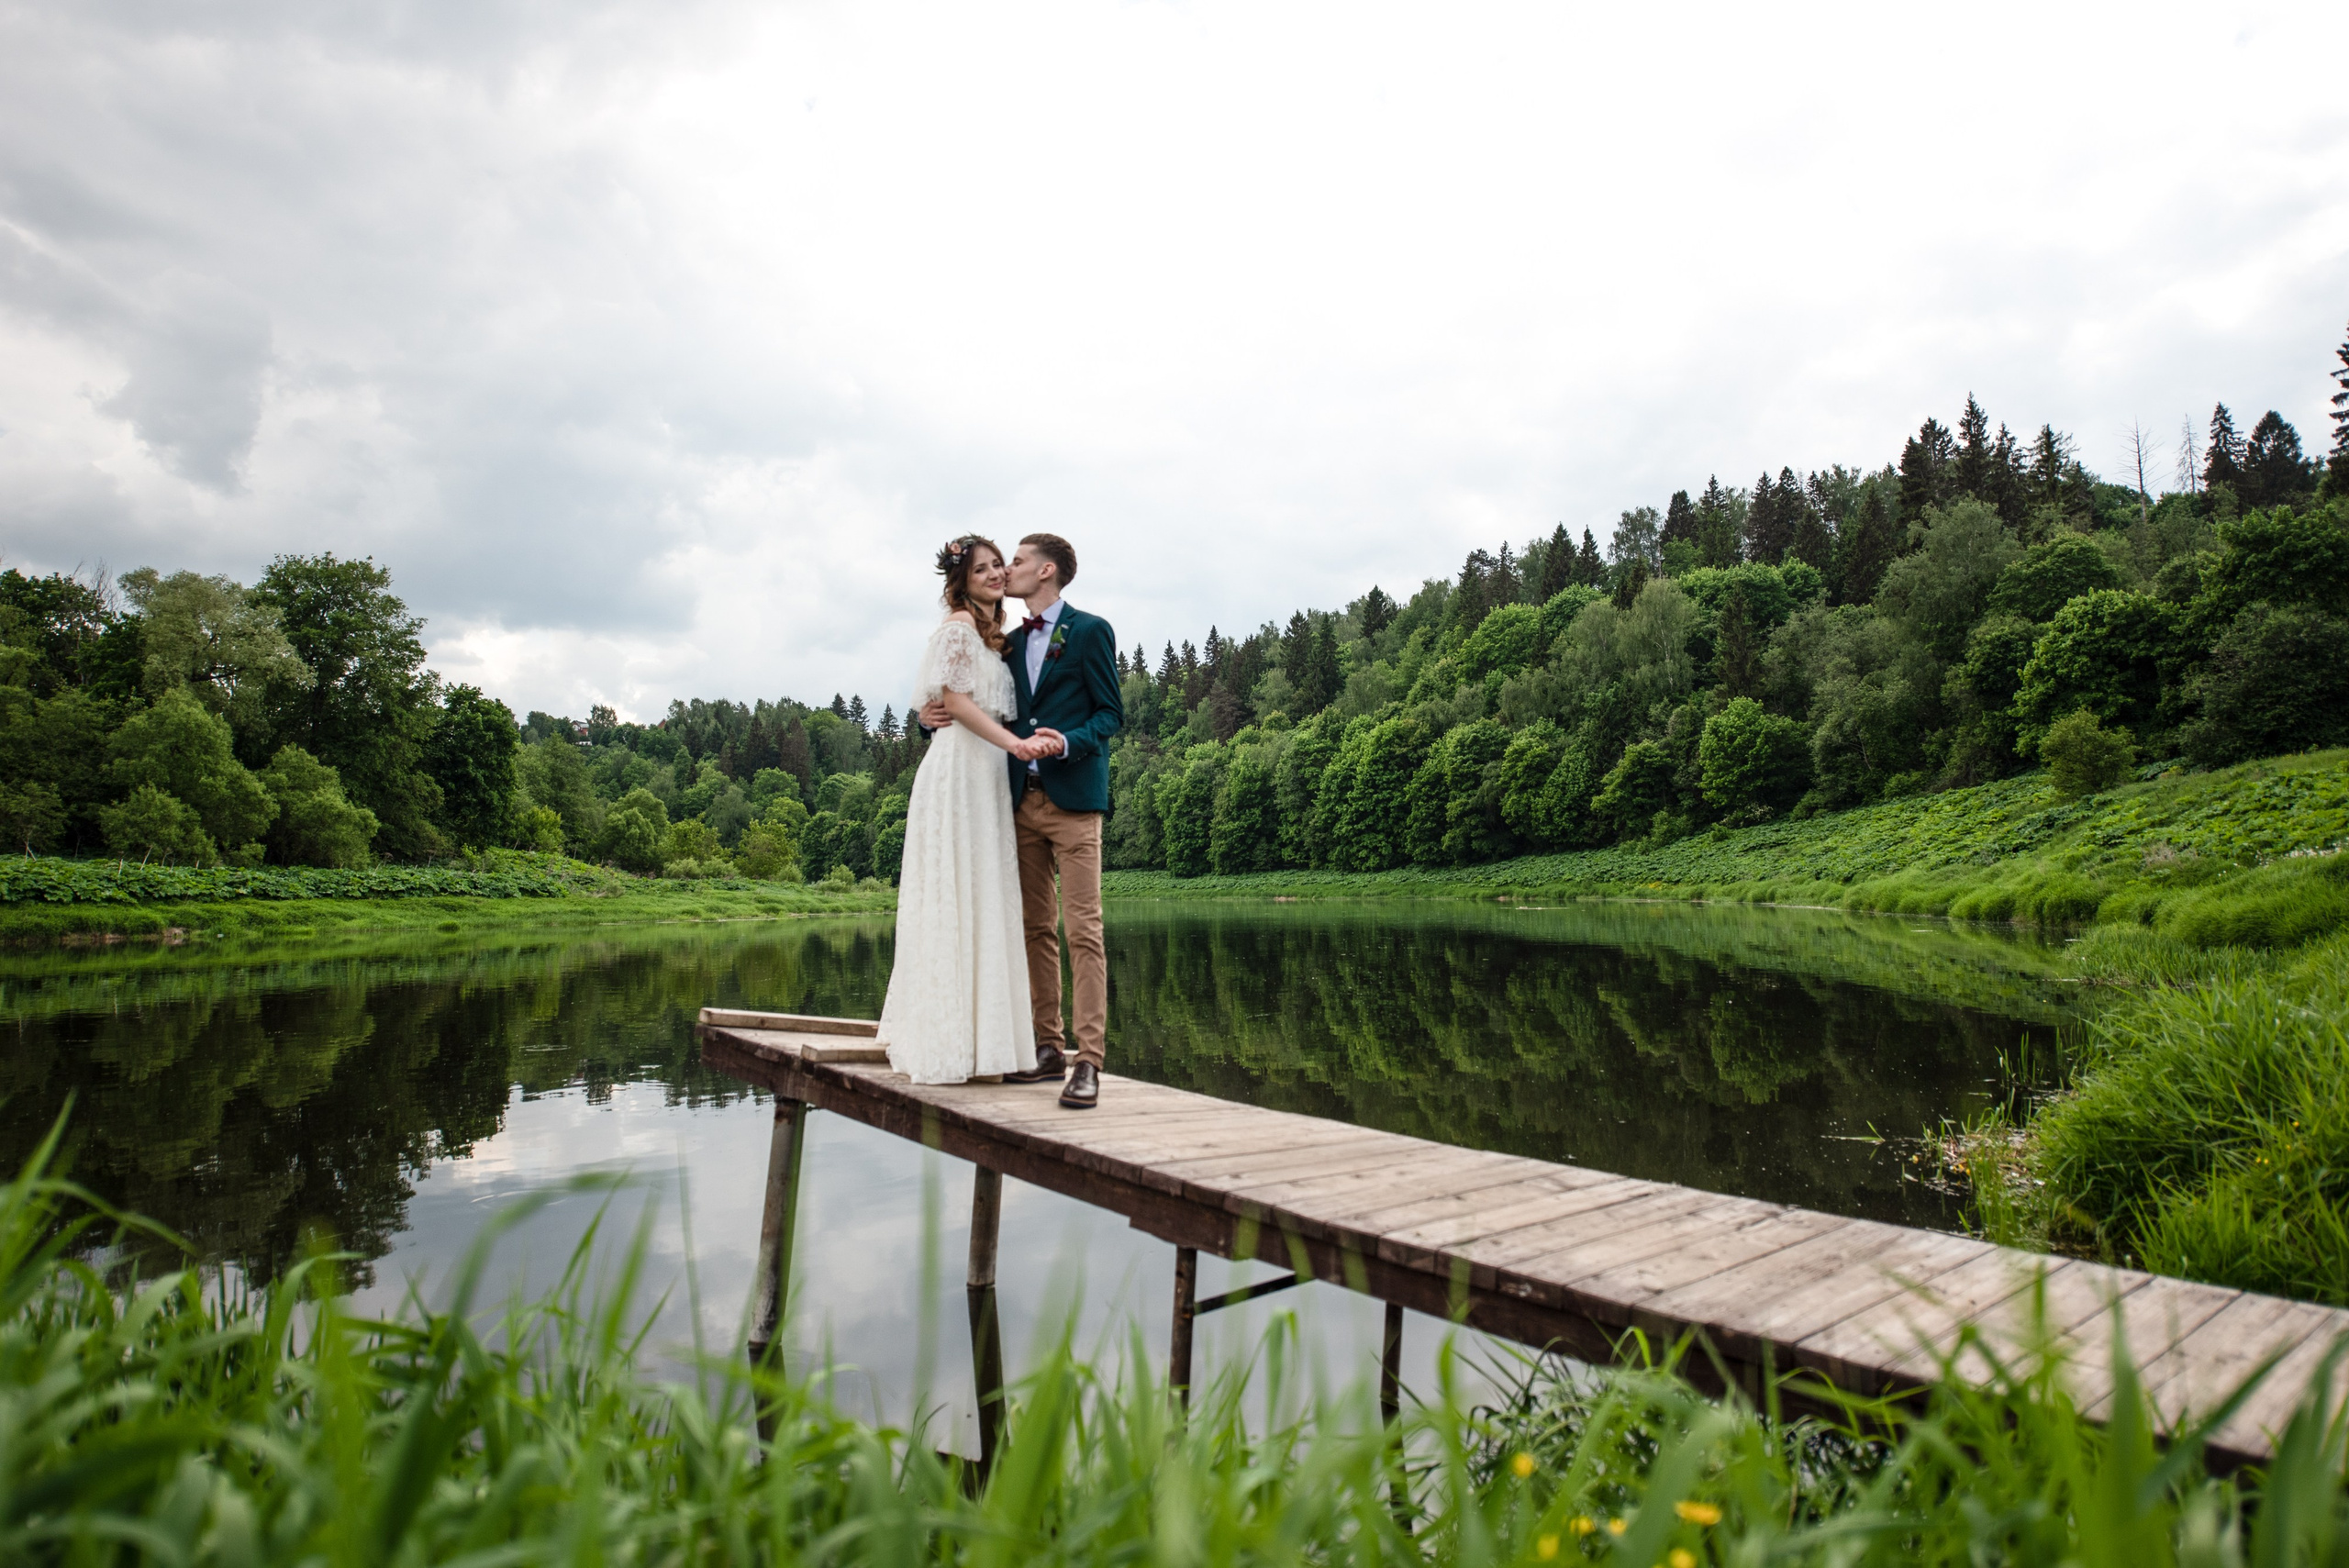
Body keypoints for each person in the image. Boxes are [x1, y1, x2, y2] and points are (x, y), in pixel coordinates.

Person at [920, 532, 1123, 1109]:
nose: (1008, 570)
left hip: (1074, 800)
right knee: (1033, 929)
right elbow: (970, 698)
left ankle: (1089, 1061)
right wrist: (927, 719)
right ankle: (1047, 1047)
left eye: (1017, 561)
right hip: (1016, 803)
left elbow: (1111, 714)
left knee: (1083, 930)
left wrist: (1066, 743)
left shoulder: (1090, 631)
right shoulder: (1004, 642)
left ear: (1047, 571)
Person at [874, 536, 1064, 1084]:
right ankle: (947, 1040)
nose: (995, 574)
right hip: (958, 776)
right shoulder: (958, 629)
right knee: (954, 894)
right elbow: (954, 703)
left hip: (988, 781)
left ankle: (990, 1043)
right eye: (981, 569)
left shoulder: (994, 639)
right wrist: (1016, 746)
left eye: (998, 565)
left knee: (984, 897)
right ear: (961, 581)